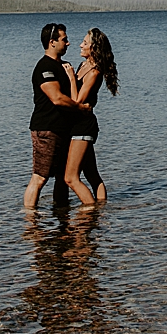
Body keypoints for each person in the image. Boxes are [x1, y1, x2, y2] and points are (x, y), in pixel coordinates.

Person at [24, 23, 90, 211]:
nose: (68, 43)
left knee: (63, 176)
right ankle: (30, 219)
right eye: (64, 40)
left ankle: (62, 214)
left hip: (63, 129)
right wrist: (80, 108)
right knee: (40, 177)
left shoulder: (63, 66)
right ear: (52, 42)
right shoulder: (44, 67)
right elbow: (57, 98)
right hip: (46, 129)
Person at [61, 27, 119, 203]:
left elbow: (77, 101)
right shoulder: (83, 65)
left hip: (83, 126)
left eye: (85, 43)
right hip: (77, 124)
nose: (80, 45)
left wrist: (71, 78)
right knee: (92, 174)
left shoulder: (94, 72)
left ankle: (89, 210)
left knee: (70, 178)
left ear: (93, 48)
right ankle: (101, 209)